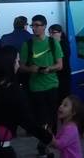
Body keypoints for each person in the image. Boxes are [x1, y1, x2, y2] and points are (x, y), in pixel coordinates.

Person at [0, 46, 53, 158]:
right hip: (0, 147)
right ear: (9, 63)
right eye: (16, 61)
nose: (18, 65)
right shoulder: (13, 91)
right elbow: (27, 122)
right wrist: (49, 138)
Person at [19, 14, 63, 157]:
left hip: (52, 85)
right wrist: (31, 69)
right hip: (36, 88)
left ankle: (46, 144)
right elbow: (21, 66)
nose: (35, 28)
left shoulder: (52, 43)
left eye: (37, 25)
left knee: (51, 118)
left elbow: (60, 65)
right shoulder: (28, 44)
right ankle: (45, 144)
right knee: (41, 119)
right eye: (33, 25)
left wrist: (49, 69)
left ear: (44, 26)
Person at [48, 24, 72, 102]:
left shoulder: (64, 44)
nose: (51, 35)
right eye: (50, 33)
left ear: (60, 33)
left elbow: (62, 62)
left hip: (63, 74)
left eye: (53, 33)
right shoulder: (52, 44)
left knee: (63, 96)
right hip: (55, 75)